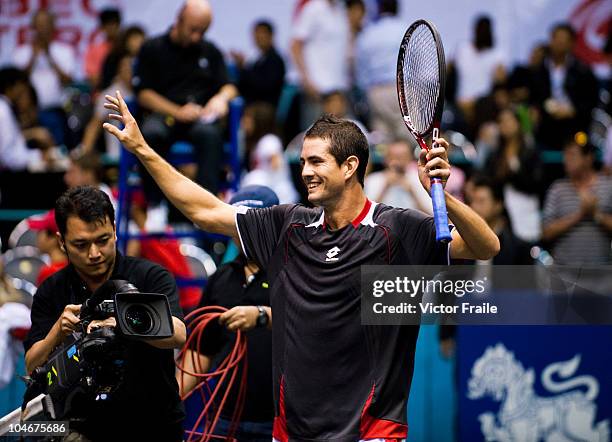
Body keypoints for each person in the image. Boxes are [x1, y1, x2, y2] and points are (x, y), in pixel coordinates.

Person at [103, 91, 499, 441]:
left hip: (371, 431)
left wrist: (444, 195)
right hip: (292, 431)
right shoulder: (287, 225)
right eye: (303, 161)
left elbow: (485, 246)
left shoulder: (396, 228)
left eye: (316, 161)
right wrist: (143, 149)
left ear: (349, 166)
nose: (305, 171)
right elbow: (205, 212)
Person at [23, 186, 186, 441]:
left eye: (102, 240)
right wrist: (57, 332)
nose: (94, 253)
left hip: (154, 424)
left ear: (115, 232)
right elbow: (32, 364)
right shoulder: (51, 290)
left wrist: (124, 322)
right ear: (61, 241)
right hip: (83, 428)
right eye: (81, 244)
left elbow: (178, 334)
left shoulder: (149, 276)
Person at [178, 185, 276, 441]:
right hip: (225, 418)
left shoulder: (294, 272)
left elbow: (312, 323)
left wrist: (263, 315)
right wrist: (168, 400)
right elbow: (200, 351)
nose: (246, 233)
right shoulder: (222, 278)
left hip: (281, 423)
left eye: (254, 224)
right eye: (239, 224)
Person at [133, 0, 238, 215]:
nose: (197, 36)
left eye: (203, 31)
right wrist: (177, 111)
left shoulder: (210, 51)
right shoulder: (152, 48)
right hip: (164, 114)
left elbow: (229, 86)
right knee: (151, 134)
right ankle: (156, 205)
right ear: (179, 20)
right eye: (193, 30)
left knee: (210, 135)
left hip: (199, 118)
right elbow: (143, 93)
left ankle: (207, 207)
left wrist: (221, 98)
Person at [542, 138, 612, 264]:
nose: (566, 160)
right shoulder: (557, 188)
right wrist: (580, 215)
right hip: (565, 274)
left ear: (588, 158)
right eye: (565, 154)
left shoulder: (608, 186)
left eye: (572, 155)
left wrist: (597, 215)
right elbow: (546, 232)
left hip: (601, 273)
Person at [530, 23, 599, 150]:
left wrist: (572, 110)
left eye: (564, 40)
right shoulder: (538, 70)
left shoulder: (583, 71)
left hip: (575, 125)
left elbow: (591, 100)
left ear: (571, 43)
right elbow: (533, 97)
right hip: (546, 125)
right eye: (557, 39)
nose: (560, 44)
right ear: (551, 40)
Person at [12, 9, 75, 145]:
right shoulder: (21, 52)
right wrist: (33, 57)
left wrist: (49, 56)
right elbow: (17, 84)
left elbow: (68, 81)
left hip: (55, 112)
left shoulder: (64, 51)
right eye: (39, 25)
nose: (43, 29)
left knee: (57, 152)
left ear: (53, 26)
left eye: (46, 24)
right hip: (27, 115)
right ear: (33, 27)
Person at [290, 0, 350, 129]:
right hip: (317, 89)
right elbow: (295, 46)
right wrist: (306, 81)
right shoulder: (313, 8)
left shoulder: (341, 10)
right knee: (314, 138)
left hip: (339, 89)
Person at [355, 0, 409, 143]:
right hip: (401, 89)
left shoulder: (368, 34)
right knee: (406, 138)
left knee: (382, 141)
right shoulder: (405, 30)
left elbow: (360, 71)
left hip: (376, 92)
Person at [0, 67, 55, 171]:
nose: (23, 89)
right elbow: (8, 156)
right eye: (20, 85)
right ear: (11, 87)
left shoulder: (5, 108)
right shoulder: (3, 111)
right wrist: (39, 156)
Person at [231, 20, 286, 107]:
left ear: (270, 35)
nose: (257, 37)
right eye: (255, 33)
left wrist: (243, 67)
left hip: (263, 108)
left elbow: (264, 87)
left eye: (261, 33)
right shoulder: (258, 59)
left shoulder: (275, 60)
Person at [26, 209, 68, 286]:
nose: (37, 236)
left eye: (40, 231)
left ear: (54, 237)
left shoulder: (49, 273)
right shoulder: (75, 266)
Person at [84, 8, 121, 89]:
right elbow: (93, 79)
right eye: (108, 24)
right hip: (103, 91)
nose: (112, 28)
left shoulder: (125, 47)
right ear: (102, 27)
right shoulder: (94, 49)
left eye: (114, 24)